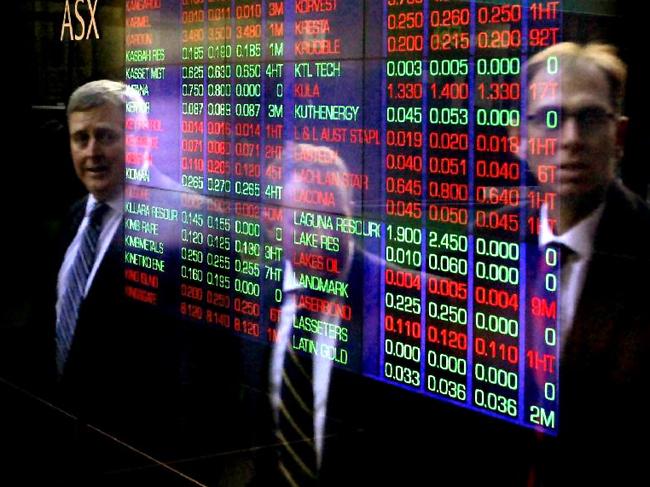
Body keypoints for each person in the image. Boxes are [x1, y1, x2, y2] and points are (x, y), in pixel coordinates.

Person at [512, 43, 650, 485]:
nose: (570, 139)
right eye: (550, 118)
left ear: (620, 137)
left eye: (589, 118)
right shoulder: (483, 242)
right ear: (519, 141)